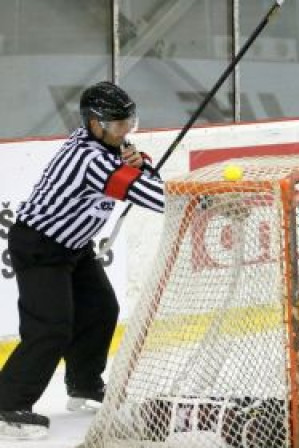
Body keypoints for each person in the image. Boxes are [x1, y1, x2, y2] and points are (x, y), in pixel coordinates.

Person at [0, 81, 164, 440]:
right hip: (41, 246)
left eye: (128, 123)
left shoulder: (109, 147)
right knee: (51, 328)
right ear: (94, 124)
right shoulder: (91, 159)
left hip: (74, 246)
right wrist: (195, 196)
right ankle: (7, 404)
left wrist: (143, 163)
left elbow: (139, 175)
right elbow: (153, 195)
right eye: (117, 124)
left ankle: (84, 383)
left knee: (101, 309)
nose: (125, 131)